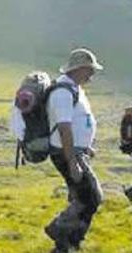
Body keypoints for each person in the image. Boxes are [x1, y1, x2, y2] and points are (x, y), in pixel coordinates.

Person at [43, 47, 105, 252]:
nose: (92, 75)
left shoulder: (73, 88)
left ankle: (69, 243)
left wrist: (86, 147)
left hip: (75, 152)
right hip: (66, 153)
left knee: (83, 197)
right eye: (90, 70)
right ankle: (60, 230)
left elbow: (77, 123)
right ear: (78, 69)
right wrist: (72, 162)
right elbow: (64, 127)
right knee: (91, 197)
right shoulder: (62, 91)